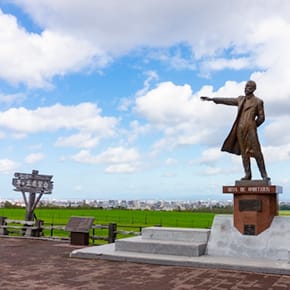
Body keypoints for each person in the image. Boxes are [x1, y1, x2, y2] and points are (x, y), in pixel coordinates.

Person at [201, 80, 270, 181]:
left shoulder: (258, 102)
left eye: (249, 87)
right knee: (244, 153)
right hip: (240, 130)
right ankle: (247, 174)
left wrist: (253, 125)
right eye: (245, 86)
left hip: (251, 130)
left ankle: (264, 175)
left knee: (257, 152)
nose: (246, 88)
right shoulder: (240, 99)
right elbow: (228, 101)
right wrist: (212, 99)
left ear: (253, 89)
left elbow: (261, 117)